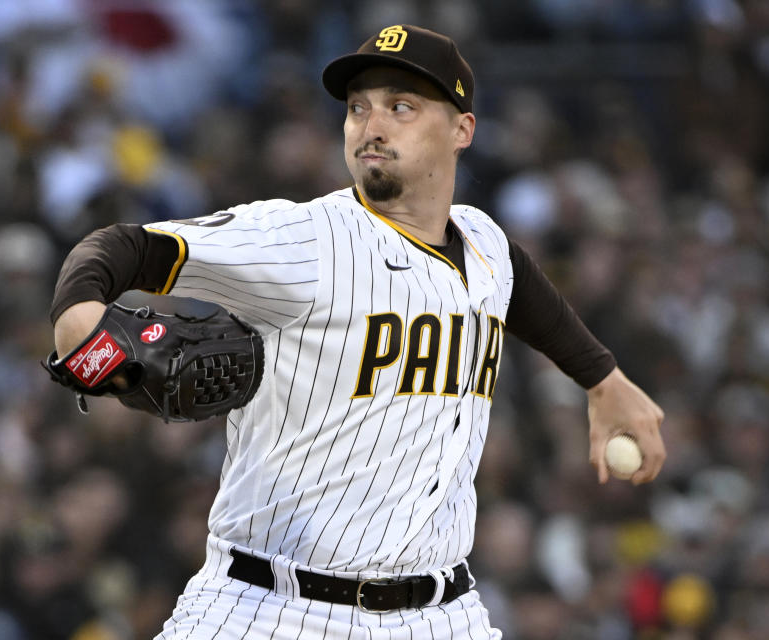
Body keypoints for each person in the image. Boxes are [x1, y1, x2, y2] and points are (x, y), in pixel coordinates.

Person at [49, 24, 665, 640]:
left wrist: (602, 379)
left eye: (402, 107)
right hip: (268, 608)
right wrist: (81, 324)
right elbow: (121, 247)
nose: (373, 125)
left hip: (441, 614)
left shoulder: (483, 243)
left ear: (462, 131)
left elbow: (521, 284)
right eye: (358, 108)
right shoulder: (307, 241)